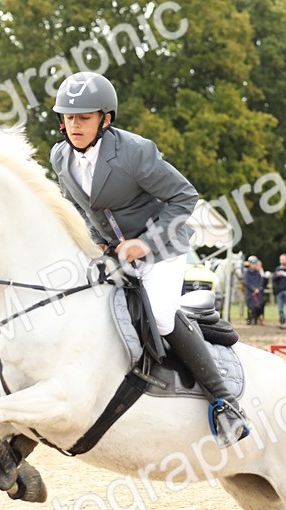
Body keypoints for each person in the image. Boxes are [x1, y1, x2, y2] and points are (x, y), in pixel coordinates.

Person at [50, 70, 249, 447]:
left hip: (164, 247)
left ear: (105, 119)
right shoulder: (61, 157)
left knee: (157, 313)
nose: (74, 125)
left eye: (84, 117)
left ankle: (224, 401)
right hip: (116, 251)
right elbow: (84, 209)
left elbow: (184, 198)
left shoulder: (135, 152)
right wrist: (99, 244)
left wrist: (146, 242)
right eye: (69, 117)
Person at [272, 253, 286, 328]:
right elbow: (273, 279)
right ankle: (282, 321)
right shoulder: (278, 269)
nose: (283, 261)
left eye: (284, 259)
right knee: (280, 309)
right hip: (280, 291)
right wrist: (277, 275)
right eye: (281, 259)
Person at [243, 256, 266, 326]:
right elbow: (247, 282)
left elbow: (260, 281)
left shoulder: (258, 273)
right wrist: (253, 289)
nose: (253, 265)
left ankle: (255, 319)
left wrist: (258, 288)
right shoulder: (247, 273)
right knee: (250, 307)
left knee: (257, 306)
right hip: (250, 293)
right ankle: (249, 320)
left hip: (257, 292)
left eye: (254, 263)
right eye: (252, 263)